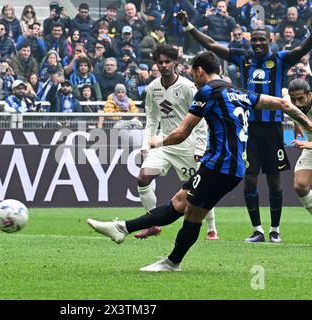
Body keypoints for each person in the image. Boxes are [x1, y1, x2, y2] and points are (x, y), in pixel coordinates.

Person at [87, 51, 312, 272]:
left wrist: (158, 141)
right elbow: (284, 104)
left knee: (184, 209)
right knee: (181, 205)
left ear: (199, 71)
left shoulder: (207, 92)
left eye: (194, 73)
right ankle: (129, 233)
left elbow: (182, 132)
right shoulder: (239, 92)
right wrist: (308, 124)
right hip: (232, 168)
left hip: (219, 165)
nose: (193, 78)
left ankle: (161, 255)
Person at [176, 9, 312, 243]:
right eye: (254, 39)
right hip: (249, 129)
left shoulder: (279, 59)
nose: (258, 43)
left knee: (274, 180)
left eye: (262, 39)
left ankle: (275, 230)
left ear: (269, 40)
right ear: (250, 40)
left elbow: (302, 49)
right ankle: (257, 230)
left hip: (273, 128)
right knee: (250, 178)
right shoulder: (243, 57)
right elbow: (211, 44)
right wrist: (188, 26)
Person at [134, 45, 218, 240]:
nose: (163, 65)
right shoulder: (152, 87)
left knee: (198, 188)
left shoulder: (188, 87)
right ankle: (153, 224)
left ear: (175, 63)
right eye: (160, 62)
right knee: (143, 178)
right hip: (164, 143)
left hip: (188, 145)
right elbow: (152, 120)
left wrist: (199, 148)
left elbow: (200, 119)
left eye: (167, 61)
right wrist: (146, 144)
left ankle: (212, 228)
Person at [289, 79, 312, 214]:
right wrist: (296, 125)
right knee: (301, 185)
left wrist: (307, 144)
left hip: (309, 145)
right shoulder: (291, 106)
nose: (297, 103)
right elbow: (284, 94)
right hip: (309, 147)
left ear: (309, 95)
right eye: (294, 99)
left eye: (301, 99)